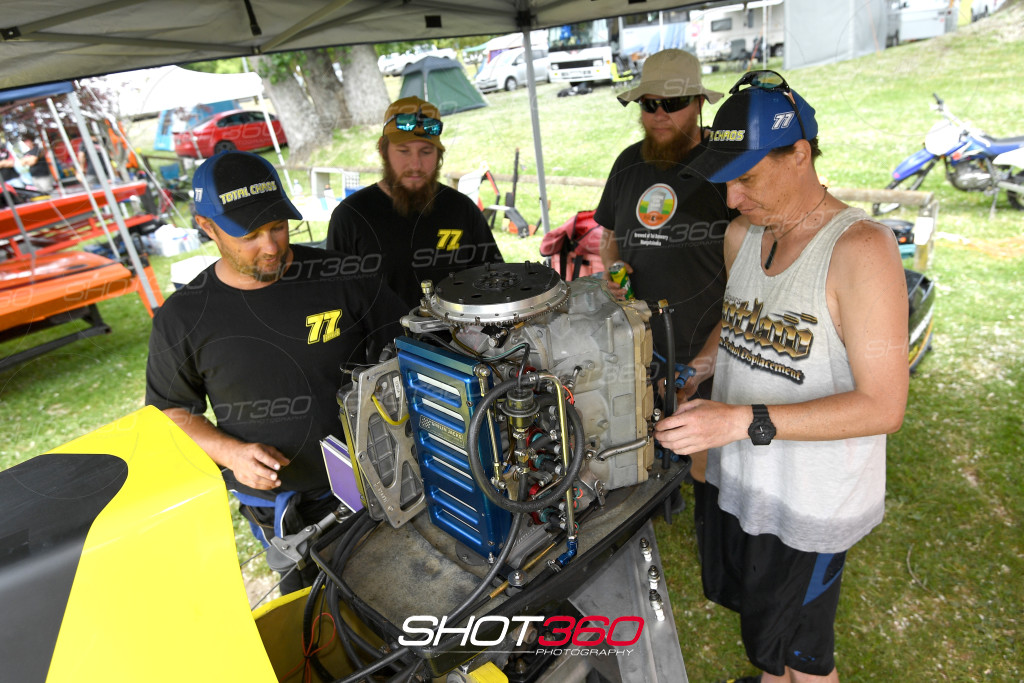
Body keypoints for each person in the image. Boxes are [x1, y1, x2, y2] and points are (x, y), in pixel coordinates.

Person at [656, 71, 910, 683]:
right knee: (767, 641)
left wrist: (740, 421)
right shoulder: (743, 235)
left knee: (805, 655)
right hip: (744, 482)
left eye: (746, 178)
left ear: (799, 153)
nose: (731, 200)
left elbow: (883, 407)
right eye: (724, 181)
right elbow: (739, 320)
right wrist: (699, 370)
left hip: (811, 501)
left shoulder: (861, 250)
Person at [145, 150, 407, 593]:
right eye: (249, 235)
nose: (270, 246)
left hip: (375, 482)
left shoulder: (342, 276)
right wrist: (231, 454)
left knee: (394, 593)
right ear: (207, 227)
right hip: (282, 509)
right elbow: (170, 413)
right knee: (312, 611)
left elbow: (409, 346)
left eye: (278, 227)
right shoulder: (183, 317)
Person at [595, 48, 737, 483]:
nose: (659, 115)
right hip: (639, 348)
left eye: (672, 103)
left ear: (698, 104)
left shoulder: (726, 166)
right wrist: (614, 269)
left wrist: (705, 361)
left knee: (710, 472)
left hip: (710, 348)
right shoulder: (627, 164)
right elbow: (608, 237)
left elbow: (752, 272)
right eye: (649, 103)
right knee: (643, 458)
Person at [325, 96, 504, 308]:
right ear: (383, 149)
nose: (416, 164)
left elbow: (497, 284)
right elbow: (336, 300)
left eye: (426, 152)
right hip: (385, 331)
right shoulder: (351, 216)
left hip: (459, 330)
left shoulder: (462, 209)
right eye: (403, 151)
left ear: (438, 155)